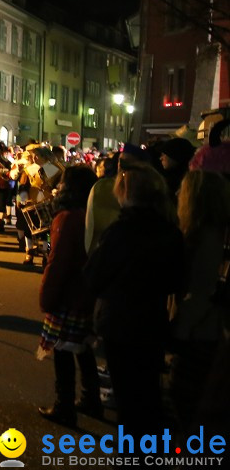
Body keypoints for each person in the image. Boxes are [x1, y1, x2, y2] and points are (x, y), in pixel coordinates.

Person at [84, 163, 183, 440]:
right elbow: (177, 280)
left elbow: (93, 276)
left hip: (119, 323)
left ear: (124, 194)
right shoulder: (170, 231)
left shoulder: (120, 231)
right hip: (152, 321)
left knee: (127, 399)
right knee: (148, 393)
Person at [36, 165, 100, 427]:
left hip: (67, 292)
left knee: (62, 349)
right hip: (86, 290)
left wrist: (46, 294)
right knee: (82, 347)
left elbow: (56, 259)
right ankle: (90, 398)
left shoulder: (67, 218)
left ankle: (64, 406)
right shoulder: (91, 213)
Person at [169, 170, 229, 434]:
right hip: (213, 330)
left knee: (187, 398)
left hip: (200, 332)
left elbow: (198, 292)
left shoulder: (200, 237)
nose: (177, 194)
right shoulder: (220, 233)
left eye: (183, 190)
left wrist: (177, 336)